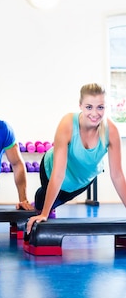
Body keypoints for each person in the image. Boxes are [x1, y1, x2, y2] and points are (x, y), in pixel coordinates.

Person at [26, 82, 126, 234]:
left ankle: (49, 204)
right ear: (80, 105)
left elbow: (117, 175)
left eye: (100, 107)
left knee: (56, 202)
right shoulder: (67, 124)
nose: (95, 113)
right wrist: (44, 213)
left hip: (80, 181)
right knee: (42, 203)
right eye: (89, 107)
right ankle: (41, 203)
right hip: (50, 170)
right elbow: (58, 174)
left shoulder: (111, 131)